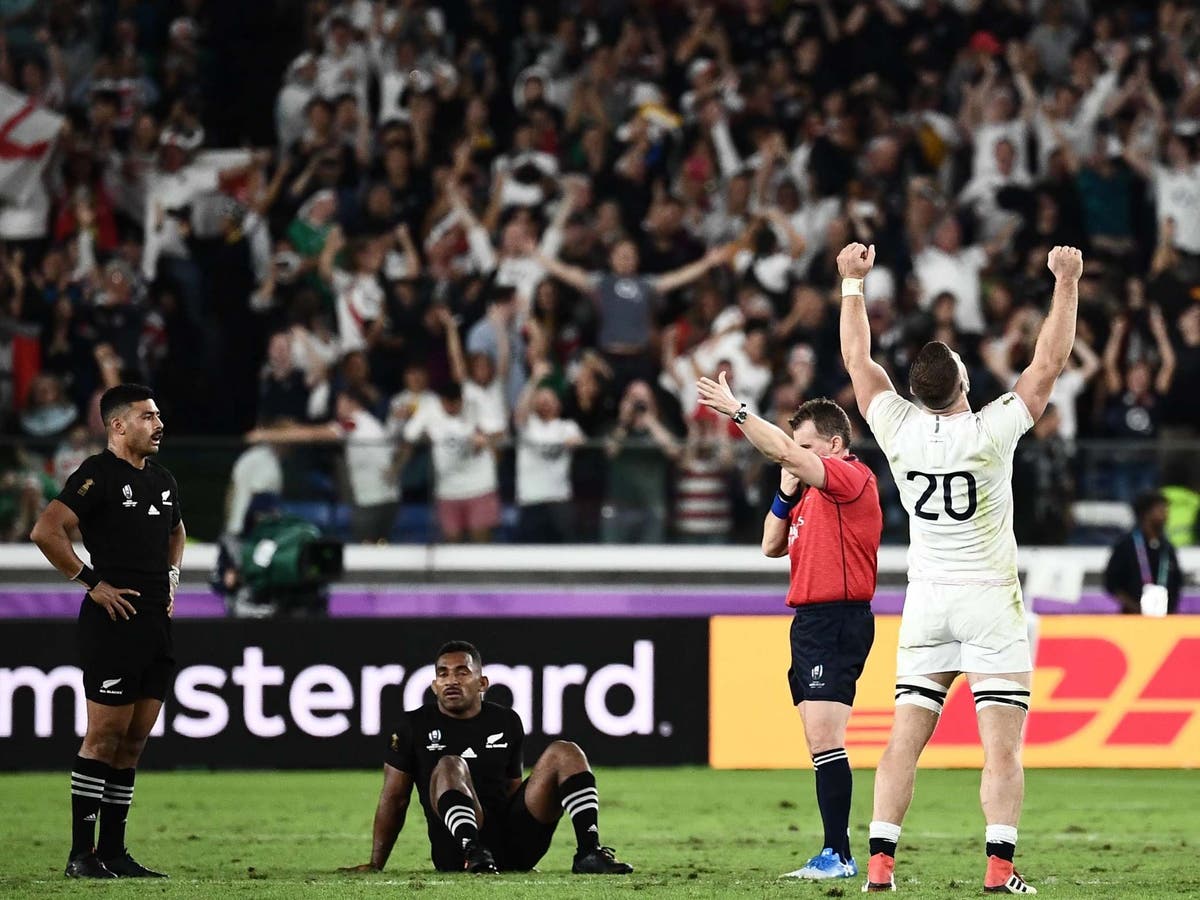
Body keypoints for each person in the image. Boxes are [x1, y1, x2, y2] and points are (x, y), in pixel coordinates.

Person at [837, 242, 1084, 894]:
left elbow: (858, 361)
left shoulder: (897, 427)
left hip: (927, 602)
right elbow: (1049, 362)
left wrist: (851, 284)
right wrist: (1067, 281)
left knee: (903, 741)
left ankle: (881, 867)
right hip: (988, 601)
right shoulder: (992, 429)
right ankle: (999, 871)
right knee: (1001, 749)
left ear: (915, 393)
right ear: (965, 384)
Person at [695, 380, 882, 880]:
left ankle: (838, 855)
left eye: (804, 449)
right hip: (808, 622)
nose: (792, 458)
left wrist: (738, 412)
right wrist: (784, 490)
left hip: (837, 618)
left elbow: (776, 446)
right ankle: (835, 852)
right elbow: (770, 545)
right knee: (819, 742)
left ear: (835, 447)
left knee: (826, 739)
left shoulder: (849, 480)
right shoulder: (807, 493)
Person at [30, 384, 185, 879]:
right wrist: (91, 582)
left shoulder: (162, 480)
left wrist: (173, 578)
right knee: (104, 736)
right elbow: (46, 530)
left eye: (158, 416)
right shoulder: (96, 475)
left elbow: (176, 531)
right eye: (147, 416)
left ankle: (115, 853)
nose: (158, 424)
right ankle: (81, 855)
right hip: (112, 624)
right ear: (118, 425)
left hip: (155, 624)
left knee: (135, 740)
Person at [340, 641, 633, 875]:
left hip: (512, 845)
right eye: (443, 674)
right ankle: (474, 850)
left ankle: (589, 852)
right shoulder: (411, 727)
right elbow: (394, 799)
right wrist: (376, 863)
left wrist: (531, 824)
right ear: (434, 685)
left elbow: (512, 790)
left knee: (565, 751)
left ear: (482, 682)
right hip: (456, 852)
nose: (451, 680)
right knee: (450, 764)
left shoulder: (506, 721)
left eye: (462, 672)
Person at [1103, 491, 1183, 615]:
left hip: (1165, 619)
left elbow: (1177, 583)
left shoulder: (1167, 548)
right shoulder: (1126, 545)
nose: (1166, 514)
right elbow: (1111, 584)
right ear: (1146, 513)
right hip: (1132, 619)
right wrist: (1134, 607)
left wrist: (1169, 610)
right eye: (1160, 510)